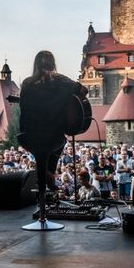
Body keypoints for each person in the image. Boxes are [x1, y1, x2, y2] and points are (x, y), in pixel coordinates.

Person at [18, 50, 88, 192]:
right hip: (52, 137)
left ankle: (45, 174)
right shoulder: (60, 80)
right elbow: (84, 90)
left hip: (26, 136)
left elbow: (23, 105)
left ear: (36, 64)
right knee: (59, 143)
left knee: (42, 151)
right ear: (53, 63)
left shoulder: (26, 82)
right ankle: (48, 173)